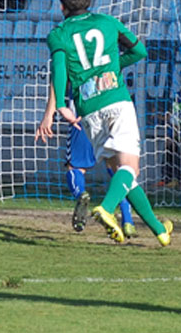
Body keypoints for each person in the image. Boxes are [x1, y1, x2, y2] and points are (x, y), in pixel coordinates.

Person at [46, 0, 173, 246]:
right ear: (90, 0)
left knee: (121, 171)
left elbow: (59, 69)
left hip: (88, 111)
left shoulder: (58, 34)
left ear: (62, 7)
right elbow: (139, 51)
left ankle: (159, 230)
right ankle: (106, 207)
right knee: (131, 169)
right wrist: (114, 66)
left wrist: (59, 107)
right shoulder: (108, 23)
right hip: (116, 102)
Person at [36, 83, 137, 238]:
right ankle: (128, 220)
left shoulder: (70, 58)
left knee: (75, 167)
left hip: (83, 115)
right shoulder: (108, 57)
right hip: (112, 111)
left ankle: (80, 194)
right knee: (119, 169)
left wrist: (49, 113)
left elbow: (58, 82)